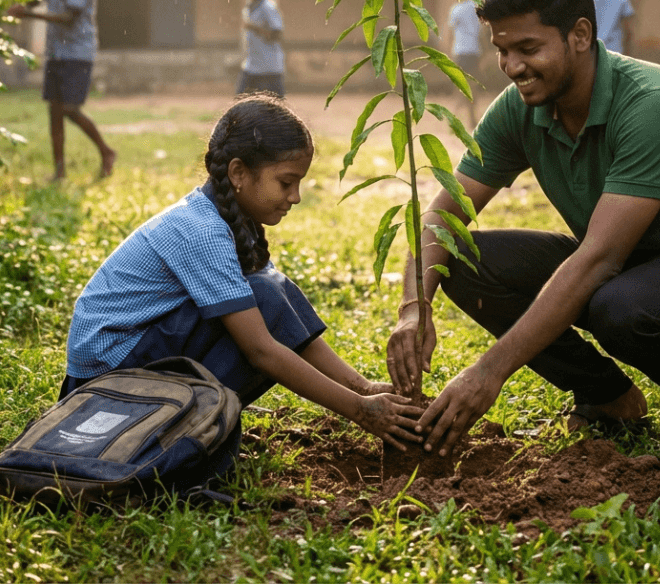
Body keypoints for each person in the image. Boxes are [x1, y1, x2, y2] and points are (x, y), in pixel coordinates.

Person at [386, 0, 660, 453]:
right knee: (462, 259)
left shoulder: (653, 105)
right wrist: (414, 307)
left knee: (621, 306)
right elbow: (443, 213)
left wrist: (488, 373)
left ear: (581, 35)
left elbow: (599, 260)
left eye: (527, 47)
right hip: (623, 267)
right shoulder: (520, 108)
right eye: (502, 50)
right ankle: (606, 395)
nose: (512, 67)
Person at [60, 94, 423, 449]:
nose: (295, 196)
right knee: (263, 299)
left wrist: (364, 388)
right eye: (286, 182)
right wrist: (360, 410)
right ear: (238, 172)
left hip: (135, 361)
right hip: (104, 387)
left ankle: (199, 423)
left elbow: (283, 315)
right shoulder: (201, 231)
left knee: (272, 289)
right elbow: (261, 350)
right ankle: (179, 434)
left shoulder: (231, 221)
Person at [2, 0, 116, 181]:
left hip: (77, 54)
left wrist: (28, 14)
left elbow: (68, 18)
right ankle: (59, 171)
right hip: (56, 53)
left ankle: (106, 151)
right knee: (54, 111)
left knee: (69, 109)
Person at [237, 0, 285, 98]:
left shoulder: (267, 8)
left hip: (269, 71)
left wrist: (254, 28)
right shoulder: (248, 8)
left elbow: (277, 34)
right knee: (239, 107)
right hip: (251, 67)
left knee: (275, 111)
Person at [448, 0, 484, 127]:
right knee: (473, 86)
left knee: (459, 86)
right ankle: (472, 119)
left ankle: (454, 118)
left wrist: (448, 52)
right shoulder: (476, 8)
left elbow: (450, 32)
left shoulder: (456, 9)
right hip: (474, 52)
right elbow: (482, 33)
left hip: (459, 52)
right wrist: (484, 53)